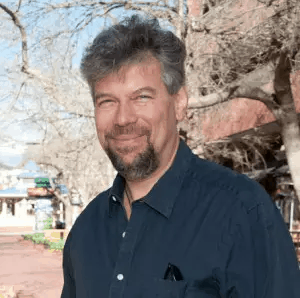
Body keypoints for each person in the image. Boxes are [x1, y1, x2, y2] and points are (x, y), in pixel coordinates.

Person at [61, 15, 300, 298]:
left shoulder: (242, 213)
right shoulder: (86, 230)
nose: (123, 118)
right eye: (107, 101)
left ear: (180, 104)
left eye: (142, 97)